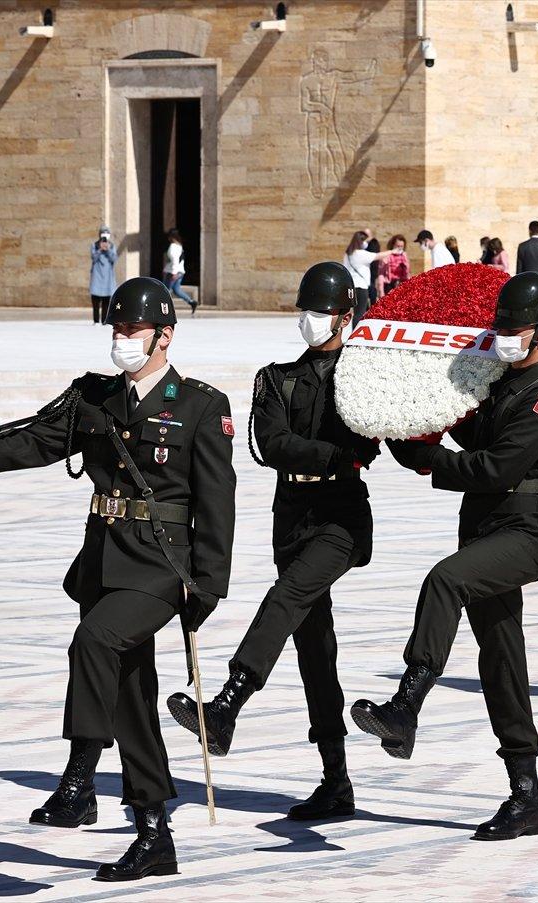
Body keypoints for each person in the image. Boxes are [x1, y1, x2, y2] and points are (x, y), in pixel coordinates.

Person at [0, 277, 237, 879]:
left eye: (133, 331)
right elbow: (39, 439)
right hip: (102, 562)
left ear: (164, 337)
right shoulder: (94, 397)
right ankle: (154, 834)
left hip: (162, 566)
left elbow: (218, 502)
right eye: (117, 330)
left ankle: (79, 781)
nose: (123, 339)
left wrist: (206, 588)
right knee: (129, 694)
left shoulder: (201, 405)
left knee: (94, 642)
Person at [353, 271, 538, 842]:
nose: (504, 337)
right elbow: (454, 435)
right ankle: (526, 795)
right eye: (500, 328)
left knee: (444, 582)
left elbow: (495, 469)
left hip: (526, 532)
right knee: (501, 660)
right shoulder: (497, 387)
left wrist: (432, 463)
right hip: (484, 529)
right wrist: (403, 431)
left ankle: (408, 701)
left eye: (515, 329)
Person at [168, 262, 380, 822]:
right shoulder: (276, 378)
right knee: (315, 650)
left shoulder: (369, 377)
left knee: (286, 597)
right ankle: (337, 781)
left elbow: (386, 435)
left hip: (340, 519)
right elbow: (272, 444)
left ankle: (228, 704)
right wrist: (337, 453)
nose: (312, 322)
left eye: (323, 313)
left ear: (347, 316)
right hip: (293, 516)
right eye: (306, 311)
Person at [343, 230, 394, 323]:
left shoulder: (348, 254)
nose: (366, 244)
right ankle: (355, 334)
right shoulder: (361, 253)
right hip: (361, 287)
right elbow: (378, 256)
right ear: (361, 242)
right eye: (365, 242)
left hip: (351, 286)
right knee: (360, 313)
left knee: (354, 313)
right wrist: (392, 251)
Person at [162, 229, 197, 314]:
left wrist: (173, 272)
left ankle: (165, 309)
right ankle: (191, 301)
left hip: (174, 272)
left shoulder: (173, 246)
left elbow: (175, 260)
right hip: (180, 272)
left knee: (165, 291)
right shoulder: (179, 246)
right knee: (176, 290)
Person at [89, 226, 117, 325]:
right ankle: (96, 320)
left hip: (107, 277)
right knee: (95, 299)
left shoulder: (112, 246)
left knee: (106, 300)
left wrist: (108, 250)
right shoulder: (94, 245)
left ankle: (104, 320)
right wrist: (100, 249)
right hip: (97, 275)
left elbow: (114, 259)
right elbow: (93, 258)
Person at [365, 229, 382, 303]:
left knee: (371, 289)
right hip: (368, 270)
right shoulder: (365, 244)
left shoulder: (373, 243)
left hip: (372, 270)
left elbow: (371, 256)